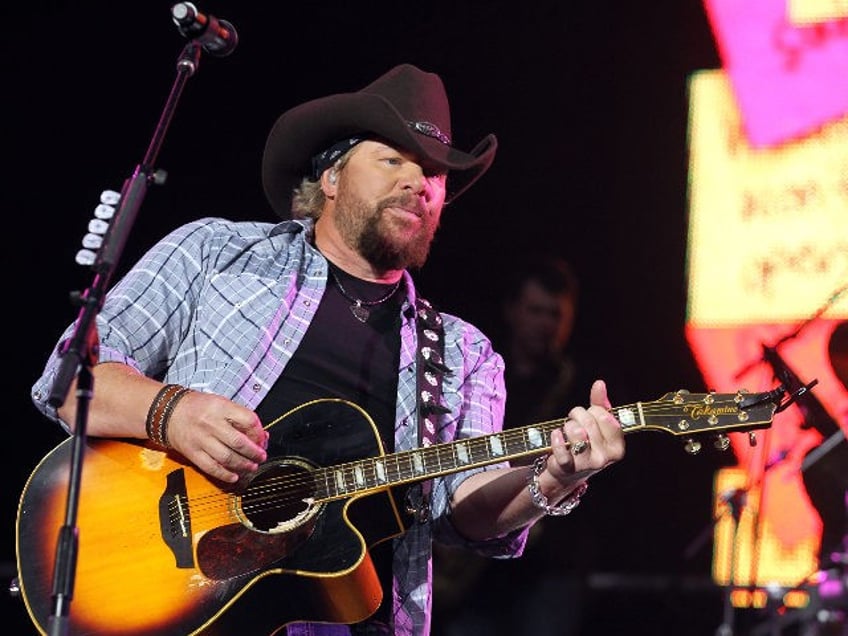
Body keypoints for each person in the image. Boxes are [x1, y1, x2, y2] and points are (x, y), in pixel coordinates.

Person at [30, 63, 625, 636]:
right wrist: (172, 413)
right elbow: (69, 379)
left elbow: (463, 512)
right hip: (184, 600)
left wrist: (550, 481)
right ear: (332, 177)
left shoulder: (465, 353)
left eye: (435, 175)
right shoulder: (217, 255)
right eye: (393, 159)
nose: (418, 182)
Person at [432, 254, 596, 636]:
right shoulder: (479, 372)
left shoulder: (578, 384)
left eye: (556, 314)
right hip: (475, 576)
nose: (546, 325)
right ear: (512, 310)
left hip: (549, 573)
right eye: (536, 310)